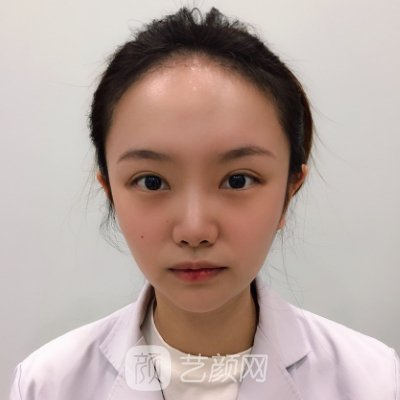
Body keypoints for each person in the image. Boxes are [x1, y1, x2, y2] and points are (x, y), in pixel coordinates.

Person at [9, 6, 399, 400]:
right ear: (109, 190)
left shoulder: (374, 382)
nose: (194, 230)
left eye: (238, 180)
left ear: (289, 191)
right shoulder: (47, 385)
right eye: (151, 181)